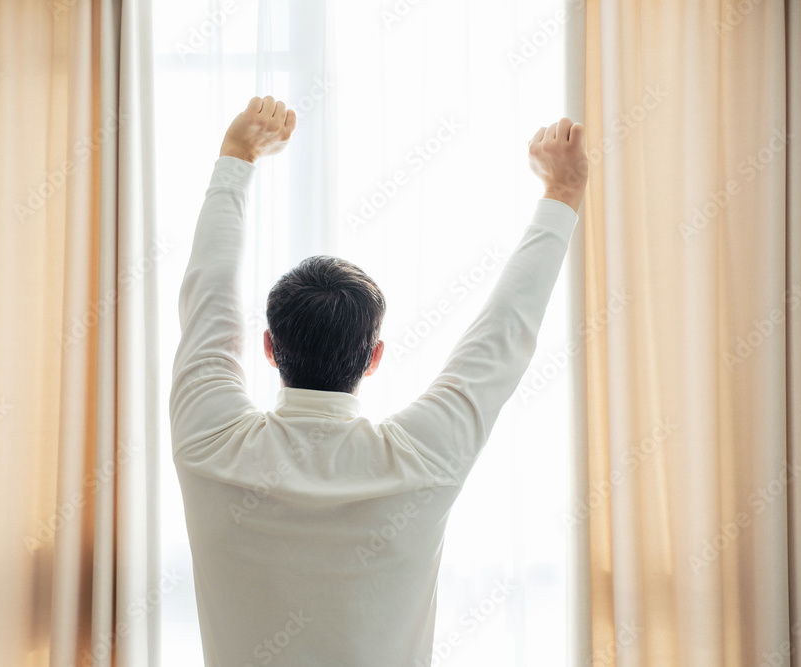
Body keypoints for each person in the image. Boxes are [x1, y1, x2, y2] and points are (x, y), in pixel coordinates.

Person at [171, 95, 587, 666]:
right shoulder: (420, 458)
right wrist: (562, 193)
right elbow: (502, 337)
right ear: (375, 359)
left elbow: (207, 295)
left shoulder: (208, 442)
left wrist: (237, 155)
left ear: (269, 349)